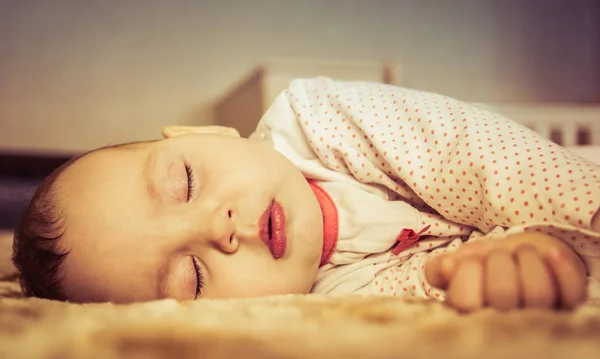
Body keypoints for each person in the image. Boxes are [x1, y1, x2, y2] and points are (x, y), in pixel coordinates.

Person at [12, 77, 600, 312]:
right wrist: (508, 267)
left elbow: (467, 151)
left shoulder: (314, 117)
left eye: (185, 183)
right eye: (190, 278)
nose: (221, 229)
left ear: (204, 135)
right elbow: (436, 284)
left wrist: (580, 213)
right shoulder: (327, 304)